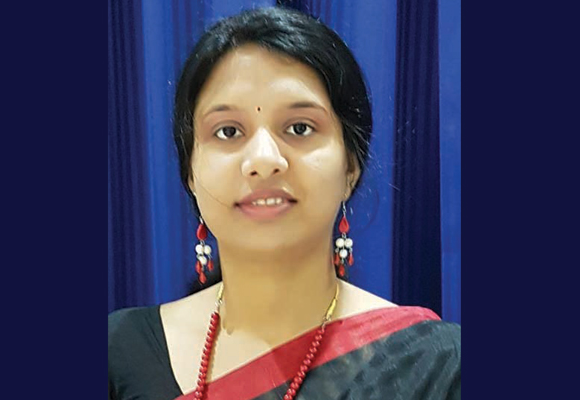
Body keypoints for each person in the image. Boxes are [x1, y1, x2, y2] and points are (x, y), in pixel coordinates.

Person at [108, 7, 460, 400]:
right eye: (228, 131)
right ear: (190, 173)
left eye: (300, 127)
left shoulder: (436, 364)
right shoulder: (120, 353)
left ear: (350, 167)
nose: (263, 160)